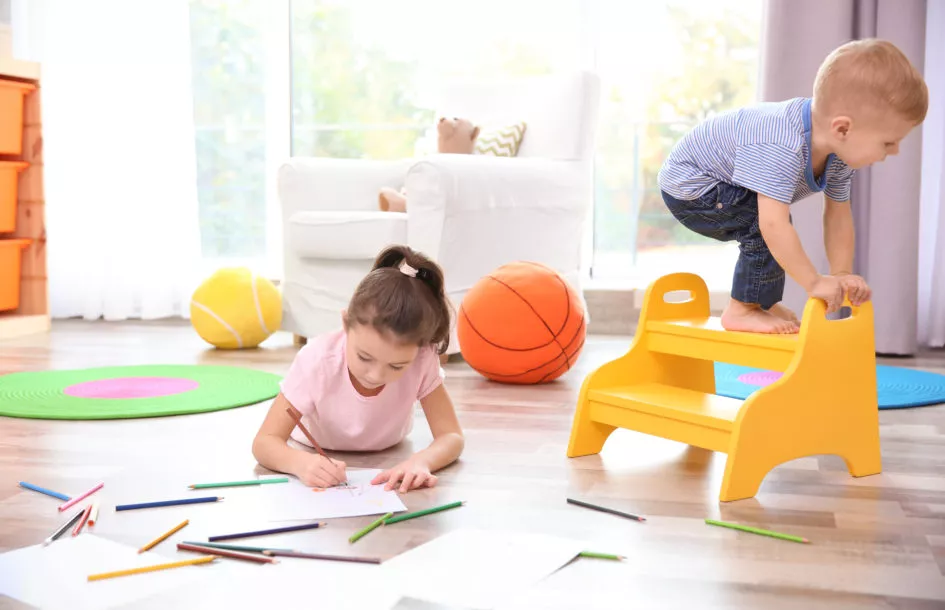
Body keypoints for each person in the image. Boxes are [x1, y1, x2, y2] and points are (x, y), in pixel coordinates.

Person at [657, 39, 928, 334]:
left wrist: (841, 274)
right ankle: (742, 310)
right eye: (889, 142)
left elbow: (838, 216)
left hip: (722, 184)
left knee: (772, 223)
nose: (896, 151)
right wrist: (814, 282)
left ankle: (759, 302)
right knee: (769, 225)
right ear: (843, 128)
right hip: (691, 185)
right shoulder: (782, 144)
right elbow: (772, 225)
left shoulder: (838, 157)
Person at [252, 245, 464, 492]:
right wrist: (300, 463)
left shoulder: (423, 358)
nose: (375, 375)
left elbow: (452, 436)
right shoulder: (318, 360)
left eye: (397, 365)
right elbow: (264, 442)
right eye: (364, 357)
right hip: (313, 448)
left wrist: (421, 461)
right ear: (345, 323)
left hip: (392, 447)